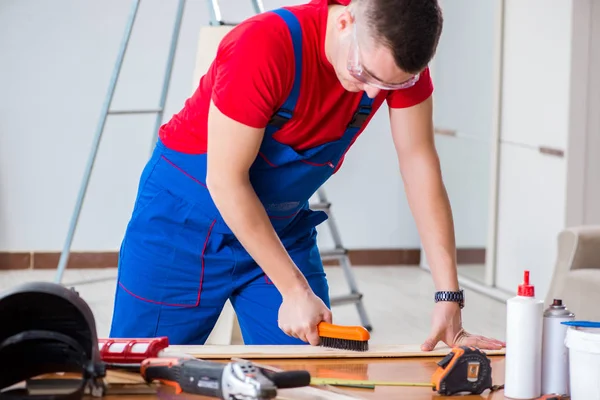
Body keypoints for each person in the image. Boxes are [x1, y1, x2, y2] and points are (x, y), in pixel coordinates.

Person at [109, 0, 505, 351]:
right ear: (345, 20)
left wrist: (448, 294)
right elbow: (225, 180)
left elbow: (419, 163)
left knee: (305, 377)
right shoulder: (263, 46)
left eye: (388, 85)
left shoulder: (393, 63)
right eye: (362, 72)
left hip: (280, 229)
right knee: (142, 374)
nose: (370, 94)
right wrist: (295, 290)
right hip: (182, 228)